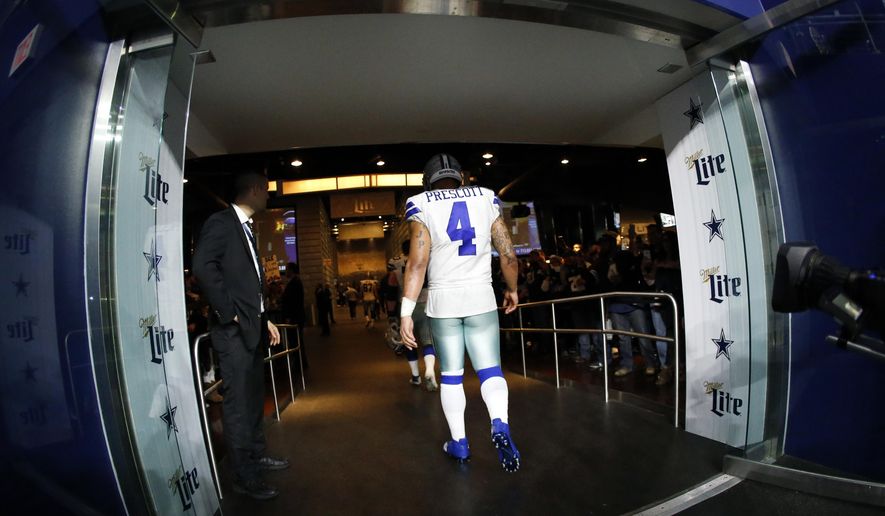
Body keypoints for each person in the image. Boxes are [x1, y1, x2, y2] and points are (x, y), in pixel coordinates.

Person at [400, 153, 521, 472]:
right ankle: (500, 423)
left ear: (428, 181)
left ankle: (460, 444)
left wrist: (406, 312)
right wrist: (512, 289)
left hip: (443, 301)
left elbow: (417, 263)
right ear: (461, 177)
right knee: (491, 370)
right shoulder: (485, 197)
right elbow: (507, 254)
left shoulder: (422, 203)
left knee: (451, 376)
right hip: (481, 296)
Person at [192, 172, 287, 500]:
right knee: (236, 406)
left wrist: (264, 321)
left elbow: (249, 284)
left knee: (252, 400)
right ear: (253, 190)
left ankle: (257, 455)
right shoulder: (221, 223)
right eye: (266, 190)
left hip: (251, 329)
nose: (268, 196)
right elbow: (203, 266)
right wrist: (228, 311)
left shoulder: (247, 229)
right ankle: (243, 477)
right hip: (231, 332)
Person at [398, 240, 437, 390]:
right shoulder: (426, 258)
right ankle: (429, 369)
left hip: (407, 306)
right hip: (426, 303)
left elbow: (392, 284)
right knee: (427, 340)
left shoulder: (396, 263)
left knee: (409, 340)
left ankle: (415, 376)